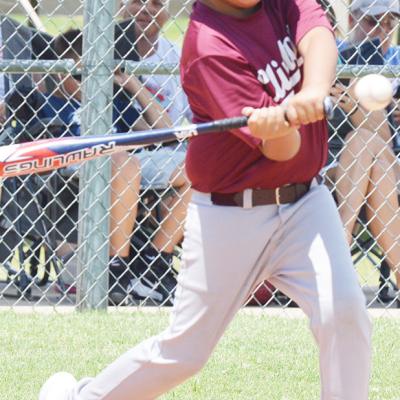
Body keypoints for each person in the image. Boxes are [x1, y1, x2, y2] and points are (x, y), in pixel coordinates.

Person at [38, 1, 372, 399]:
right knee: (185, 352)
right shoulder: (207, 45)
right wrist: (278, 124)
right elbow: (282, 149)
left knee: (344, 312)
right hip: (230, 216)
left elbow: (317, 32)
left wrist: (312, 92)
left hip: (306, 202)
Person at [35, 28, 183, 305]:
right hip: (77, 167)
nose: (89, 84)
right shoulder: (50, 103)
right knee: (121, 160)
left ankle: (156, 260)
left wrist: (131, 85)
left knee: (191, 165)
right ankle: (118, 266)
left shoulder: (113, 100)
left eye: (96, 74)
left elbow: (165, 130)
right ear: (59, 73)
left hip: (128, 165)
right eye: (80, 76)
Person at [322, 0, 400, 295]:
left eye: (389, 24)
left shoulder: (398, 60)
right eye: (373, 22)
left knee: (368, 138)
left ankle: (340, 250)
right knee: (365, 143)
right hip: (335, 164)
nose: (381, 31)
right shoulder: (334, 58)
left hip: (394, 161)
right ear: (353, 20)